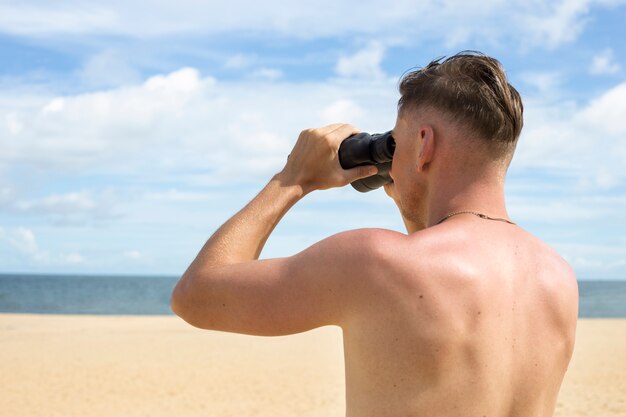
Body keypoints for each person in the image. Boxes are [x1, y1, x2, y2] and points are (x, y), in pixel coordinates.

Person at [171, 51, 579, 417]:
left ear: (424, 144)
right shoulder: (557, 277)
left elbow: (197, 295)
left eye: (395, 145)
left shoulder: (375, 260)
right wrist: (412, 204)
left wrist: (292, 179)